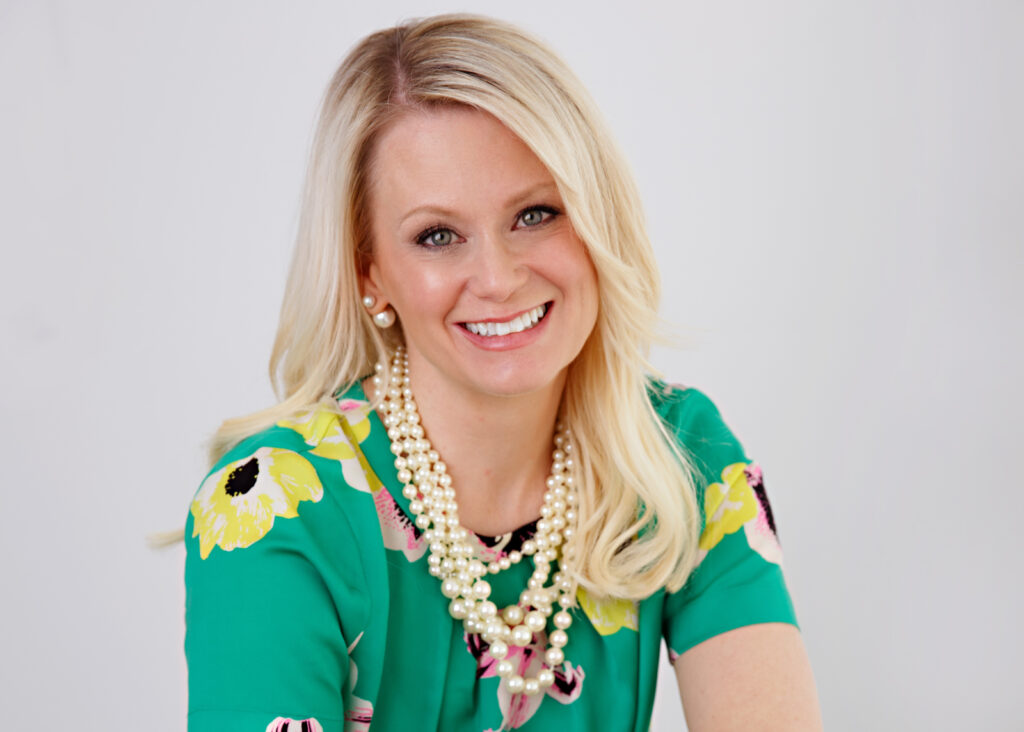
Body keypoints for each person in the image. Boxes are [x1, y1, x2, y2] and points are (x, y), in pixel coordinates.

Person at [184, 13, 822, 732]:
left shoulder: (681, 458)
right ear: (371, 274)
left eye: (536, 214)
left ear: (595, 220)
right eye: (437, 235)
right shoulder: (276, 509)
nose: (497, 277)